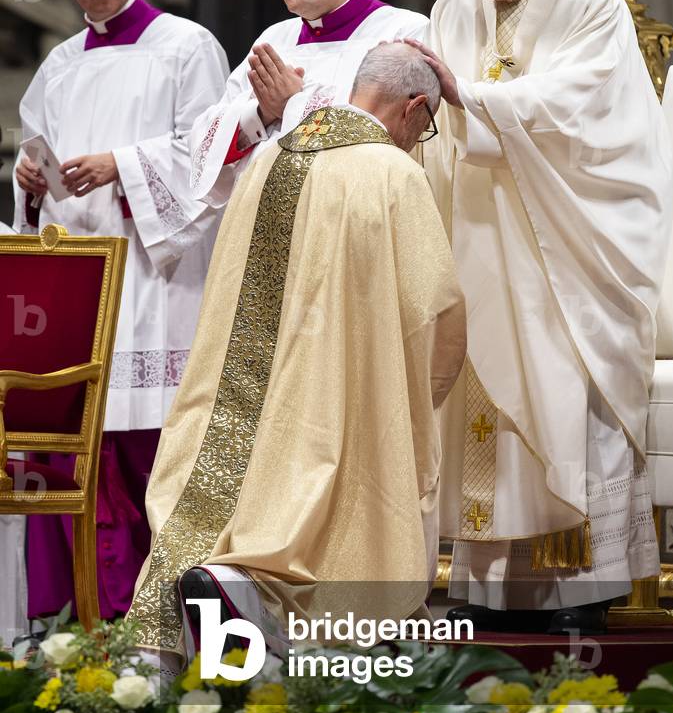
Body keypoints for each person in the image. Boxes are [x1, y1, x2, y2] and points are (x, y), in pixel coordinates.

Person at [410, 0, 673, 634]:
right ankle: (488, 598)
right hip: (482, 238)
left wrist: (473, 101)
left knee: (565, 398)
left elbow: (582, 105)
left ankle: (577, 603)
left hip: (569, 248)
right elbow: (441, 95)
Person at [129, 42, 466, 661]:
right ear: (414, 106)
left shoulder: (268, 158)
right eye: (427, 125)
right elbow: (435, 309)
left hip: (240, 389)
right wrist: (415, 391)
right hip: (341, 391)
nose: (422, 138)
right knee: (329, 521)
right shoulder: (392, 172)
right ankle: (274, 613)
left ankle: (211, 608)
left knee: (236, 493)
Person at [12, 0, 228, 621]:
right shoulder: (60, 65)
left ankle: (176, 624)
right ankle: (97, 624)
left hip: (160, 286)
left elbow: (212, 161)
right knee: (90, 467)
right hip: (87, 299)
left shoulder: (186, 47)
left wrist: (122, 166)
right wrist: (29, 184)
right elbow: (36, 165)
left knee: (157, 465)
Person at [189, 0, 428, 206]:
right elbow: (207, 138)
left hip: (350, 214)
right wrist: (262, 113)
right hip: (262, 217)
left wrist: (292, 103)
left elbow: (390, 136)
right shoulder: (274, 39)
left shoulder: (404, 34)